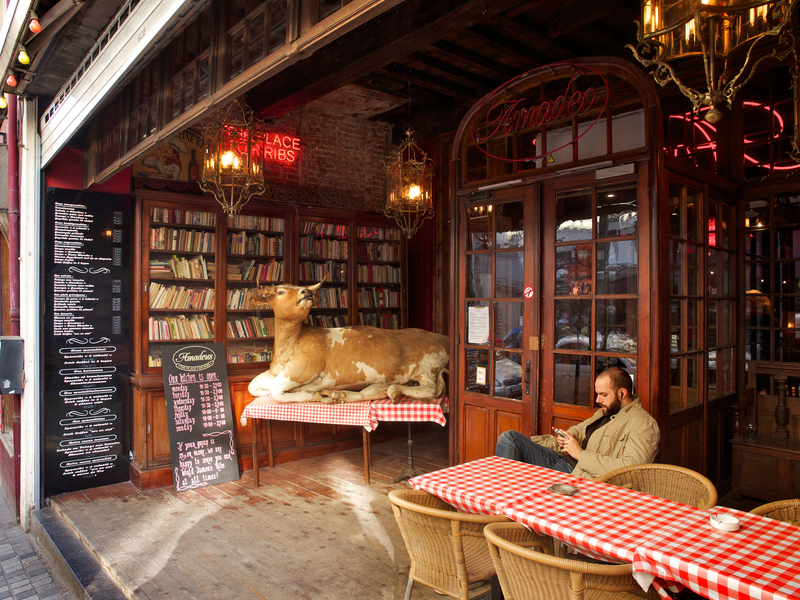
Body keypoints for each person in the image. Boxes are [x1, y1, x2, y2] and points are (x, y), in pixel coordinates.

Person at [495, 366, 660, 480]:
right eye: (597, 394)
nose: (597, 400)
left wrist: (580, 454)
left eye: (603, 394)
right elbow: (580, 429)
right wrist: (569, 436)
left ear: (622, 393)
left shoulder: (643, 424)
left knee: (518, 469)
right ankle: (504, 497)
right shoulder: (607, 411)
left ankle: (502, 504)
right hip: (560, 458)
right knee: (509, 439)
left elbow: (632, 469)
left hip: (578, 472)